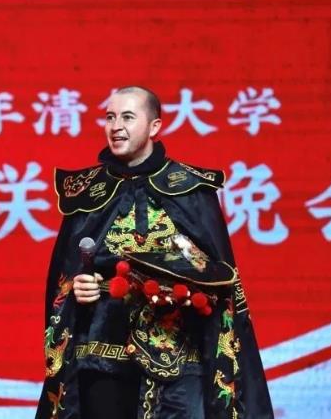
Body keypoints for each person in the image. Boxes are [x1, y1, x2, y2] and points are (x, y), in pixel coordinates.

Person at [36, 86, 273, 419]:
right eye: (110, 117)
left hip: (179, 356)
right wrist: (78, 288)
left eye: (128, 117)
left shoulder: (191, 190)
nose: (116, 126)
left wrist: (187, 285)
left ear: (154, 126)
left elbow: (219, 278)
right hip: (103, 354)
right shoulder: (88, 192)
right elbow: (64, 277)